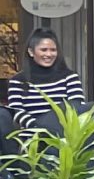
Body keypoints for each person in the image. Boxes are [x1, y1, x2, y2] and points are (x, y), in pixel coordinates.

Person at [4, 28, 85, 165]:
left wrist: (55, 129)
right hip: (32, 142)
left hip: (64, 140)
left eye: (53, 50)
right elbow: (16, 111)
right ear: (31, 52)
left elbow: (76, 105)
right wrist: (39, 128)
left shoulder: (69, 77)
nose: (49, 54)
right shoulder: (18, 80)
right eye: (43, 50)